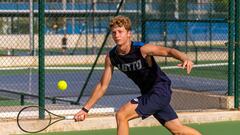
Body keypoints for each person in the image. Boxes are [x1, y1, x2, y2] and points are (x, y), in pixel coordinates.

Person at [74, 15, 202, 135]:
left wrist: (184, 58)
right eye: (114, 32)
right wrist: (85, 109)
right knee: (178, 130)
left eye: (120, 31)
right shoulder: (111, 57)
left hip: (160, 90)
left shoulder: (142, 49)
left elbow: (168, 51)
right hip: (148, 93)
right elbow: (102, 85)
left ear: (129, 34)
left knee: (122, 115)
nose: (117, 35)